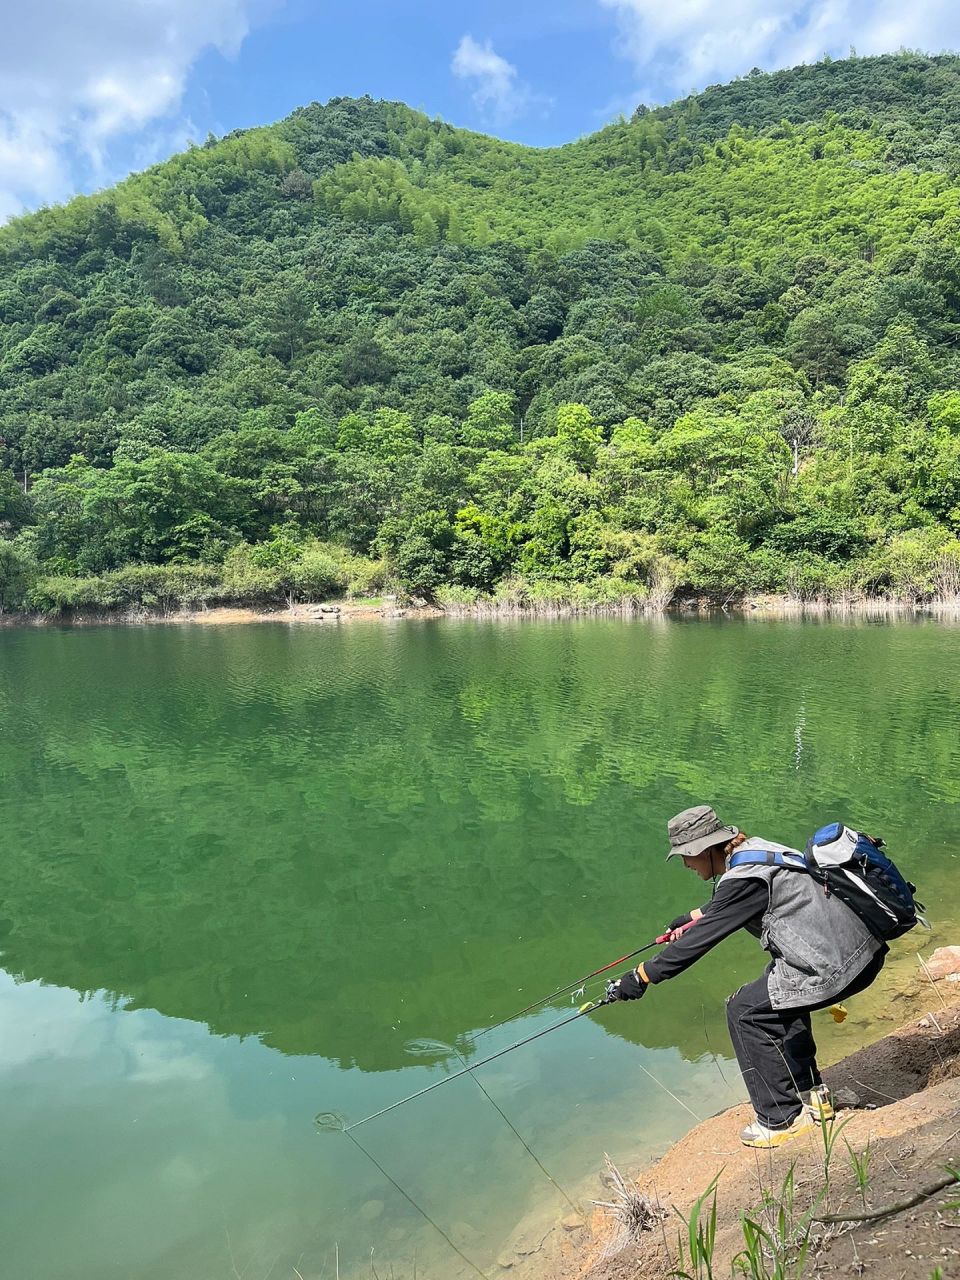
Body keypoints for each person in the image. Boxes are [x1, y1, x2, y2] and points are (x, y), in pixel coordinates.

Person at [613, 804, 887, 1148]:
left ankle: (781, 1119)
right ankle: (811, 1095)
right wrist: (690, 916)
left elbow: (701, 940)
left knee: (745, 1012)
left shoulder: (743, 879)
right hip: (858, 950)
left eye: (686, 856)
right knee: (780, 994)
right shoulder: (755, 851)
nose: (685, 864)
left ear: (705, 849)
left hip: (837, 965)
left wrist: (640, 977)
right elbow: (726, 905)